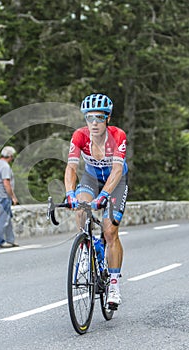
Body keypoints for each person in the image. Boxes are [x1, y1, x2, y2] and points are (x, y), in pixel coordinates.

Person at [64, 93, 128, 309]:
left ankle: (113, 284)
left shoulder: (118, 135)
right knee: (81, 208)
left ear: (107, 118)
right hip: (91, 178)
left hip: (115, 181)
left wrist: (104, 195)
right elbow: (71, 168)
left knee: (110, 232)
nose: (93, 123)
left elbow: (117, 170)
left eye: (99, 118)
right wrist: (70, 193)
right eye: (89, 118)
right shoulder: (79, 136)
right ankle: (85, 249)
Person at [0, 146, 19, 248]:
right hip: (3, 195)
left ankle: (10, 240)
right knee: (4, 219)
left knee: (8, 217)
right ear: (10, 156)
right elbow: (6, 183)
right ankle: (0, 241)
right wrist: (13, 197)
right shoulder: (5, 166)